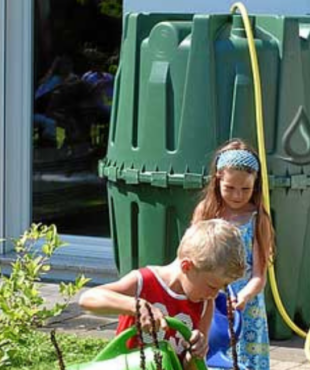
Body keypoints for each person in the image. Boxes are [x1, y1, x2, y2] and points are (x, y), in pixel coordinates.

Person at [78, 219, 246, 369]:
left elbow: (189, 367)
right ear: (187, 266)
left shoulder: (205, 304)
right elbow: (88, 298)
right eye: (211, 286)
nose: (214, 295)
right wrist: (136, 305)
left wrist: (196, 353)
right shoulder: (144, 282)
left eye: (221, 288)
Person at [191, 139, 275, 370]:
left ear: (255, 184)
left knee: (247, 361)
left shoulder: (258, 219)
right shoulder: (205, 212)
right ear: (218, 178)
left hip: (246, 306)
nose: (238, 196)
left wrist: (244, 296)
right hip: (210, 298)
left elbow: (259, 276)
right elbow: (189, 257)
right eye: (230, 188)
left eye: (245, 189)